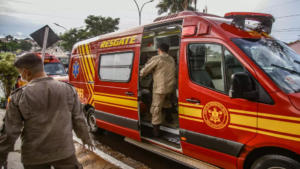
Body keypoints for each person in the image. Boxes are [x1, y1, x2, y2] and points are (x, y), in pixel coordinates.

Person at [0, 53, 94, 169]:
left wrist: (1, 156)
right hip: (64, 152)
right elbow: (79, 119)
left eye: (20, 73)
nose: (21, 76)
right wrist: (86, 138)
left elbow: (10, 131)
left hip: (34, 156)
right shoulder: (68, 90)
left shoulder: (19, 96)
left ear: (26, 72)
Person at [140, 43, 176, 137]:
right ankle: (169, 117)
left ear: (159, 50)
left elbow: (144, 72)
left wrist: (140, 74)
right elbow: (162, 69)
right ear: (167, 51)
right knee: (167, 102)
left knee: (156, 108)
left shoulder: (157, 58)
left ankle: (156, 130)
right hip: (170, 88)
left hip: (160, 88)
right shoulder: (171, 59)